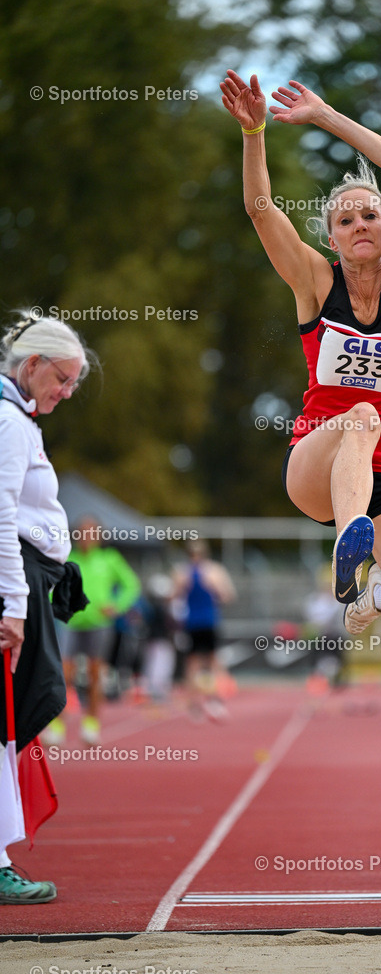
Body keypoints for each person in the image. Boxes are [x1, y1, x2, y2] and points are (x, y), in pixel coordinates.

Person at [219, 69, 381, 635]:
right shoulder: (317, 287)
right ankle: (350, 548)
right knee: (362, 415)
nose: (359, 223)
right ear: (332, 240)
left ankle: (371, 597)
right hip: (318, 468)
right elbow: (260, 209)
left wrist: (322, 115)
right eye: (345, 219)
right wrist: (255, 135)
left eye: (370, 214)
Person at [0, 310, 93, 904]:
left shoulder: (17, 418)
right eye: (61, 379)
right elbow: (3, 516)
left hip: (28, 583)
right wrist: (12, 602)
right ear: (30, 365)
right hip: (13, 592)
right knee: (6, 727)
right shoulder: (9, 422)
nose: (66, 392)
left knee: (10, 728)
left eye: (74, 384)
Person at [50, 516, 141, 745]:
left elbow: (131, 585)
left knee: (94, 675)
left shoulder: (110, 559)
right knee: (64, 675)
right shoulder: (68, 558)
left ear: (99, 536)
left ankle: (91, 725)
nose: (86, 537)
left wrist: (117, 605)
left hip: (99, 624)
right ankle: (57, 724)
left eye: (91, 532)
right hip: (70, 624)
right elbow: (52, 588)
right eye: (81, 532)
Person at [172, 540, 236, 719]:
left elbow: (227, 596)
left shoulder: (186, 572)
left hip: (203, 622)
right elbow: (227, 596)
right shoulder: (207, 571)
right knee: (201, 663)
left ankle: (209, 702)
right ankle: (200, 704)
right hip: (198, 622)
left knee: (205, 662)